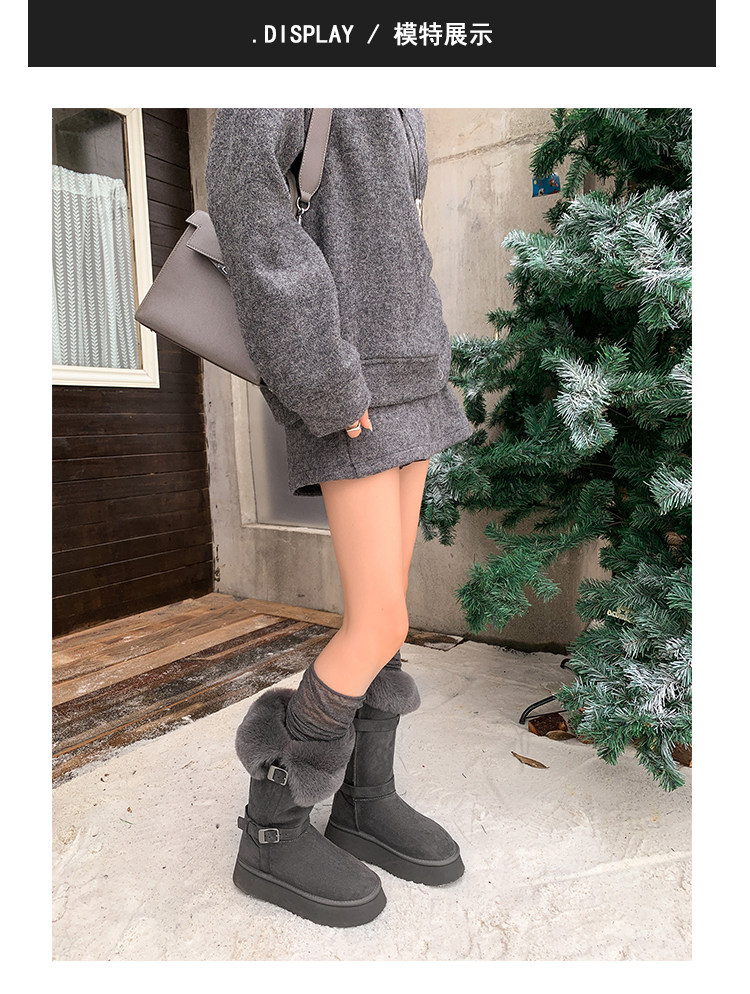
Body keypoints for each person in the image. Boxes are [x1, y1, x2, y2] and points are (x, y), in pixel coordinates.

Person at [205, 108, 474, 927]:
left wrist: (432, 352)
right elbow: (249, 210)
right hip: (350, 384)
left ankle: (365, 797)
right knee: (378, 620)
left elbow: (393, 226)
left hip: (415, 375)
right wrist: (321, 373)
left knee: (389, 616)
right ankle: (272, 830)